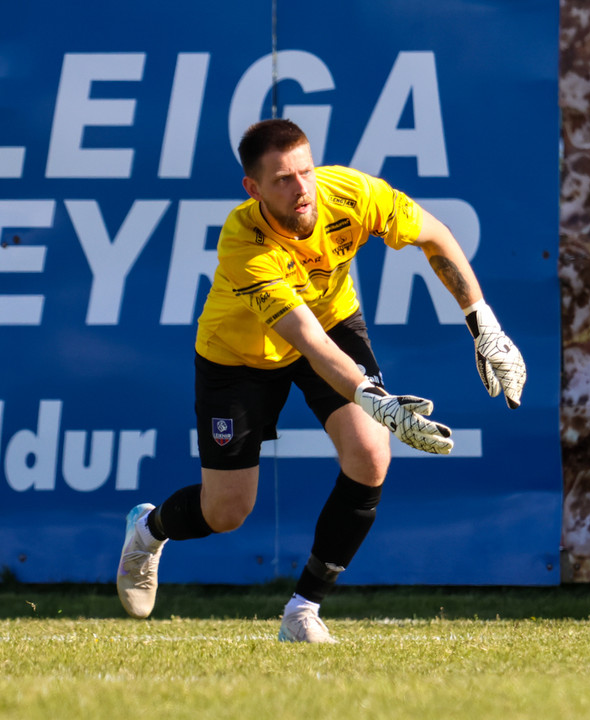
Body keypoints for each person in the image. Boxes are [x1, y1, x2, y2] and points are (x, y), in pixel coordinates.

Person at [116, 118, 526, 643]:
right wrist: (375, 400)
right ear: (253, 188)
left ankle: (302, 610)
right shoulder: (243, 242)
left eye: (305, 171)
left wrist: (483, 323)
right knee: (227, 511)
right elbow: (307, 342)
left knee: (370, 455)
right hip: (241, 356)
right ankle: (148, 530)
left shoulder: (350, 193)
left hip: (332, 321)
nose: (302, 187)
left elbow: (434, 235)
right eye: (283, 179)